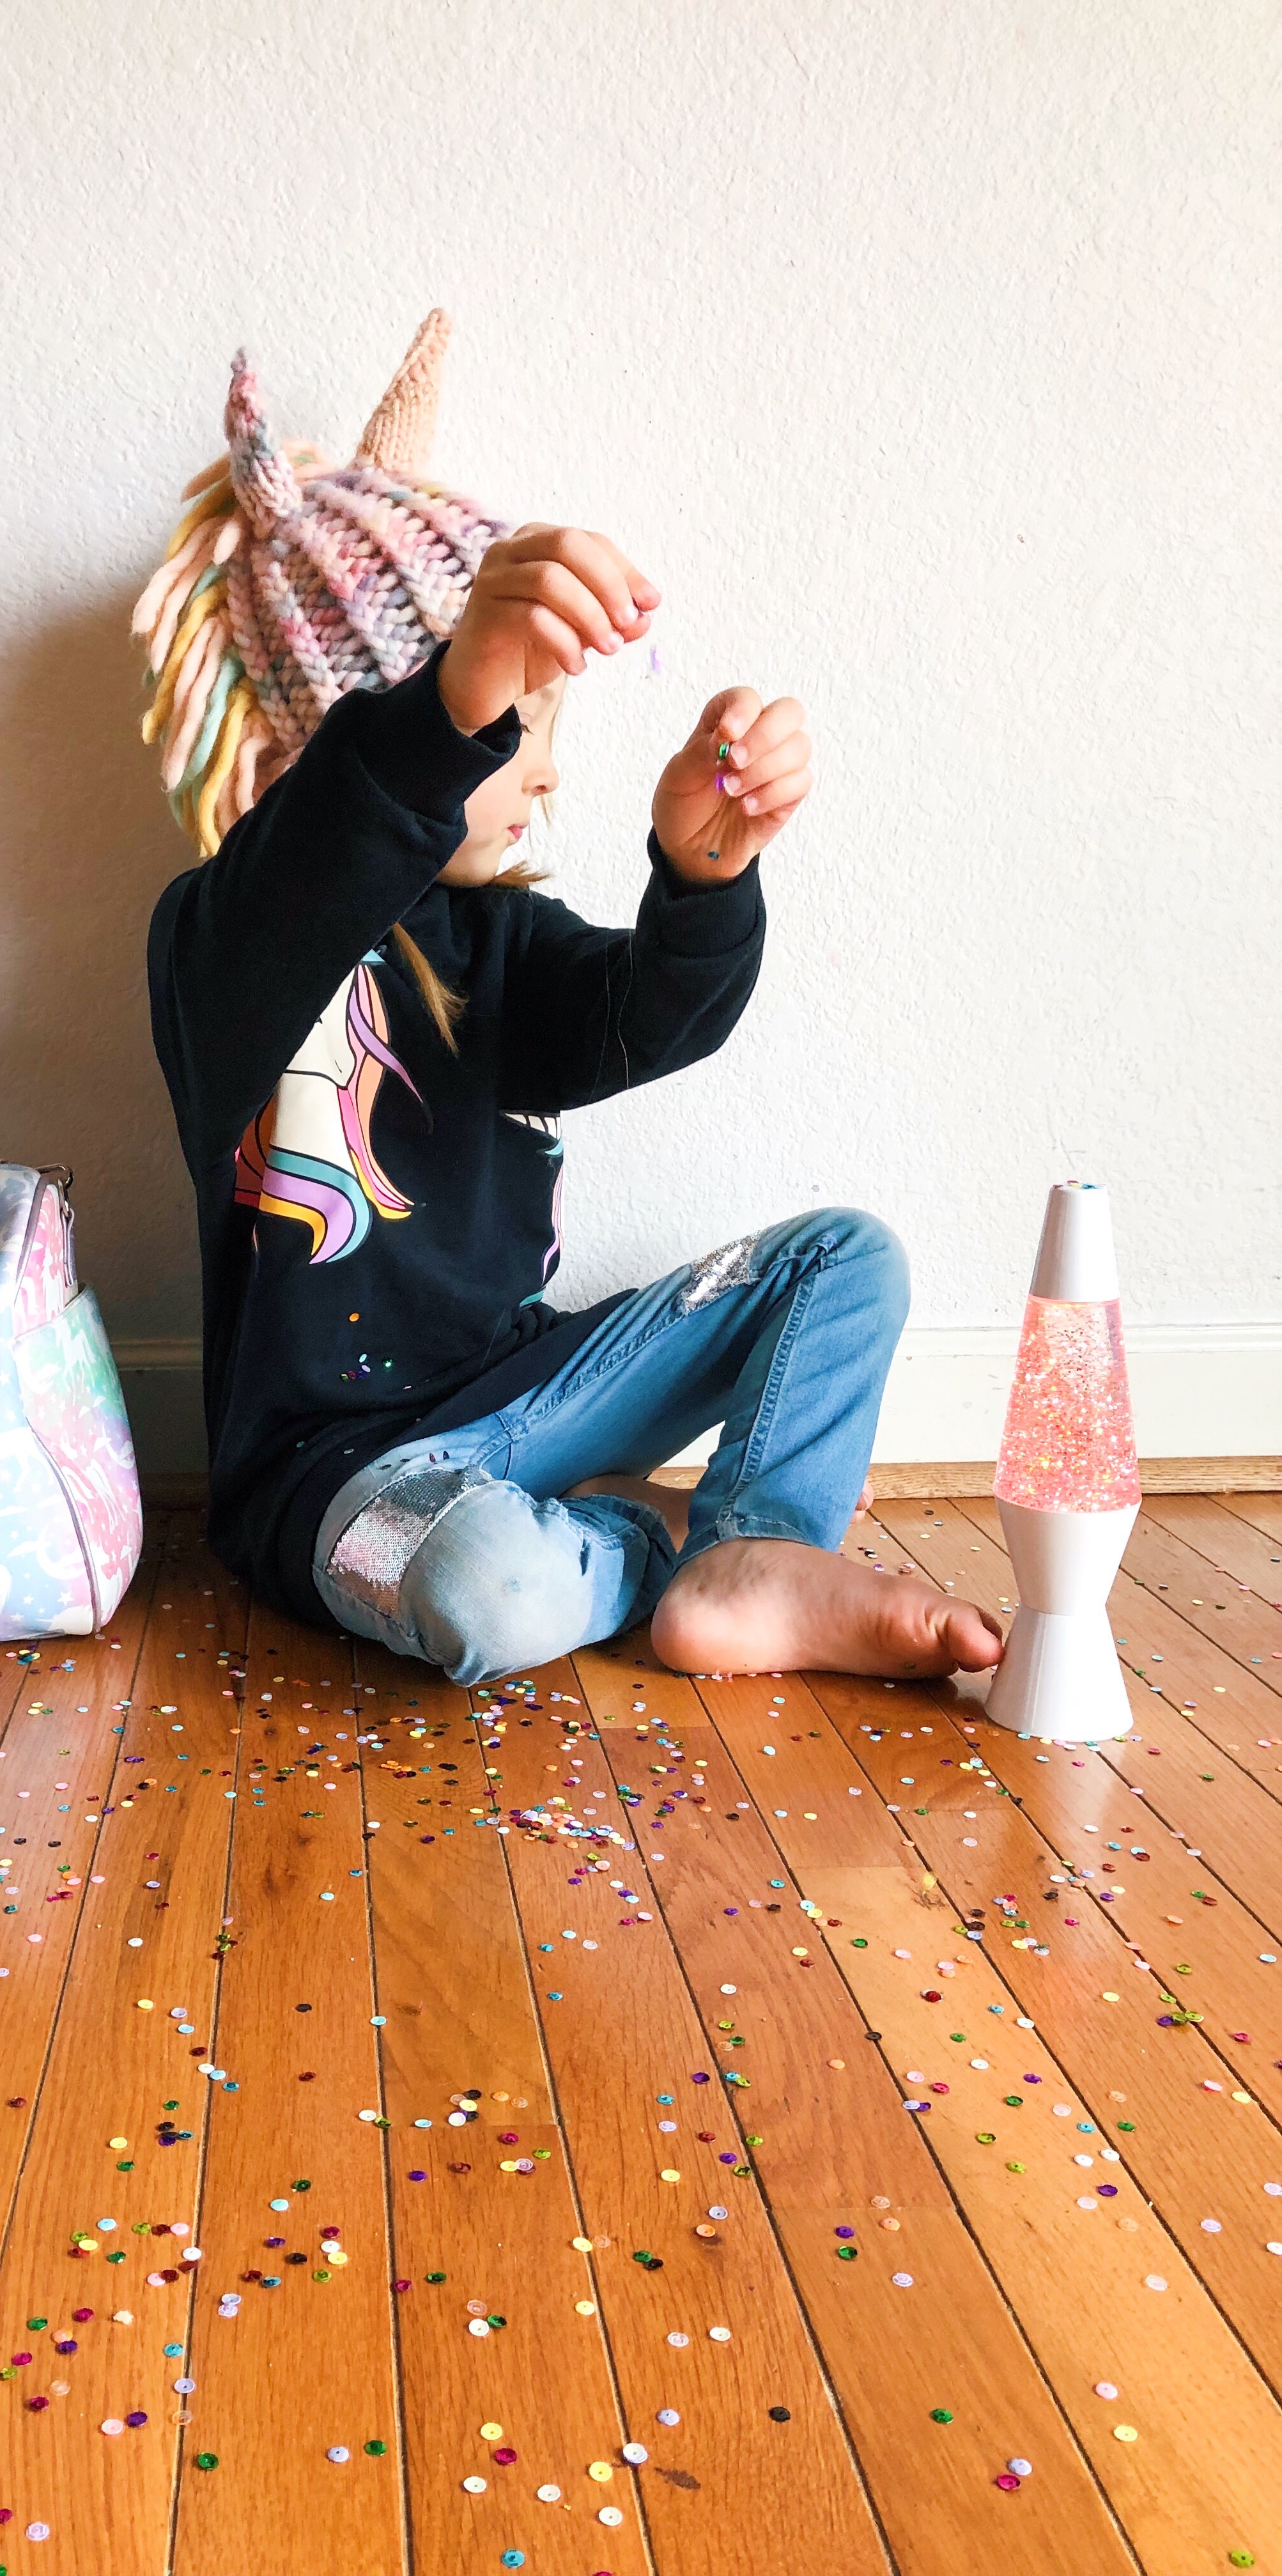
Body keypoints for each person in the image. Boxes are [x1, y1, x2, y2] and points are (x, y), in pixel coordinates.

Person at [135, 311, 1003, 1687]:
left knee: (849, 1261)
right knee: (491, 1593)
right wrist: (461, 693)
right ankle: (645, 1551)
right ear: (363, 729)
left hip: (538, 1393)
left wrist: (703, 877)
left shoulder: (503, 943)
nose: (543, 772)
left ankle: (757, 1554)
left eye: (541, 728)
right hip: (333, 1481)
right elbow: (323, 845)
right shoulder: (222, 943)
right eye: (516, 729)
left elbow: (647, 1015)